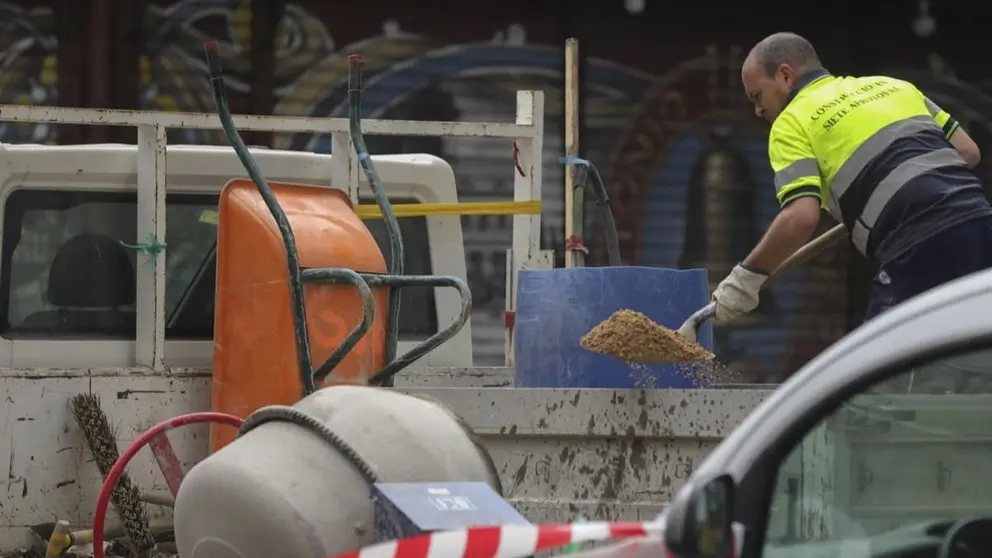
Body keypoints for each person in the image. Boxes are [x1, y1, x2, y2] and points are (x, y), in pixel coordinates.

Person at [711, 31, 992, 325]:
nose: (757, 110)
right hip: (981, 223)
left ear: (785, 75)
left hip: (917, 245)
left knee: (883, 363)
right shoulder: (893, 86)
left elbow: (800, 217)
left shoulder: (790, 122)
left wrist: (745, 279)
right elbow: (968, 151)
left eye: (757, 96)